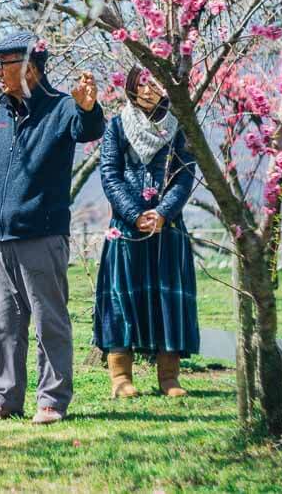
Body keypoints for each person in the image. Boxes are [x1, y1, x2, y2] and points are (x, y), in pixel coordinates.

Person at [0, 31, 104, 425]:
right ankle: (5, 399)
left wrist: (89, 108)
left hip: (41, 234)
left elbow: (88, 130)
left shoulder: (62, 108)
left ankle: (51, 401)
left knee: (50, 323)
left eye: (4, 65)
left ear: (29, 67)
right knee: (3, 325)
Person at [93, 65, 200, 398]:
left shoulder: (180, 126)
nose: (149, 88)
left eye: (156, 82)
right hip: (126, 229)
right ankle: (121, 378)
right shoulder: (117, 126)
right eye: (143, 82)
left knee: (167, 298)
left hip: (167, 229)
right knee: (121, 300)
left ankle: (169, 377)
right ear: (131, 87)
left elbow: (186, 175)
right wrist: (134, 214)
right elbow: (109, 173)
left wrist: (164, 213)